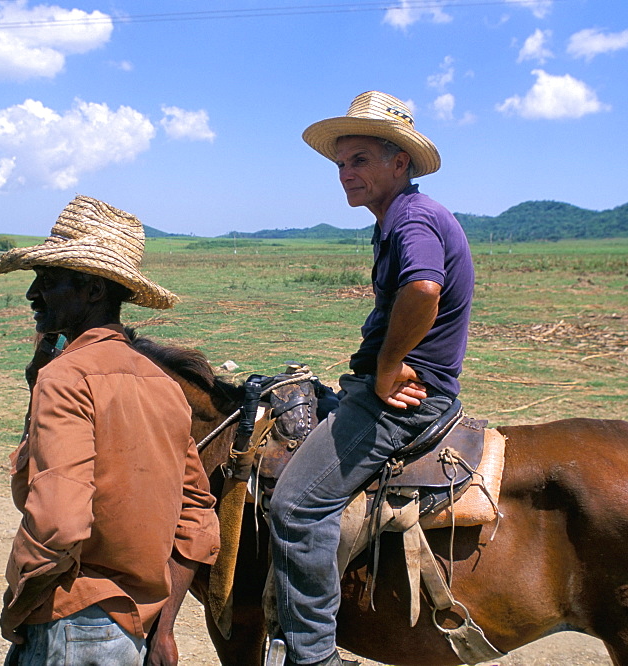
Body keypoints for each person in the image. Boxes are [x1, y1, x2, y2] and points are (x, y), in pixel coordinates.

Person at [269, 91, 475, 666]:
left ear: (398, 162)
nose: (345, 174)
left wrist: (387, 368)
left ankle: (312, 656)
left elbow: (423, 289)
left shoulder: (412, 218)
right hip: (384, 388)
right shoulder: (395, 220)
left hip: (403, 400)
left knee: (295, 506)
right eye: (340, 164)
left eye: (359, 160)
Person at [0, 195, 220, 666]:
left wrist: (19, 603)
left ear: (94, 291)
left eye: (48, 281)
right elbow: (196, 517)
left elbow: (59, 521)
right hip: (135, 628)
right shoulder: (164, 385)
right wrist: (164, 626)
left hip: (71, 625)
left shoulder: (66, 378)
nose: (33, 294)